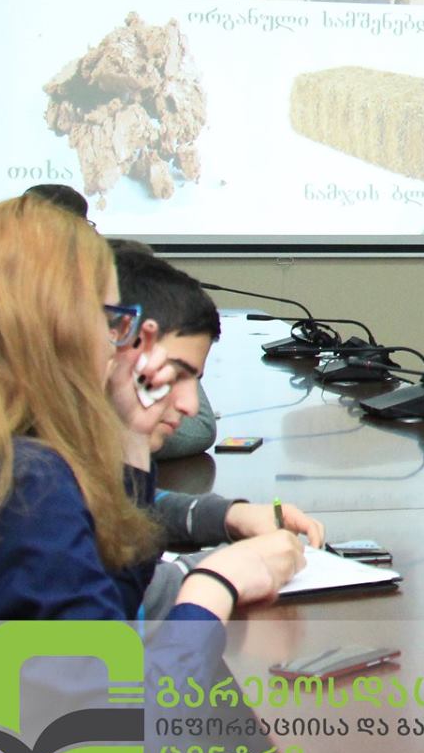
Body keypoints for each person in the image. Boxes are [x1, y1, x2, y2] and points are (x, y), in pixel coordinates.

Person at [0, 196, 302, 656]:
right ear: (55, 327)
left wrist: (132, 440)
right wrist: (215, 585)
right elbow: (114, 695)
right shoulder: (23, 480)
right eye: (111, 321)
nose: (118, 344)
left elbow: (117, 607)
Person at [112, 248, 324, 616]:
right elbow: (118, 612)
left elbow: (121, 507)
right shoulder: (34, 481)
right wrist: (223, 574)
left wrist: (227, 517)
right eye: (174, 373)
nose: (190, 406)